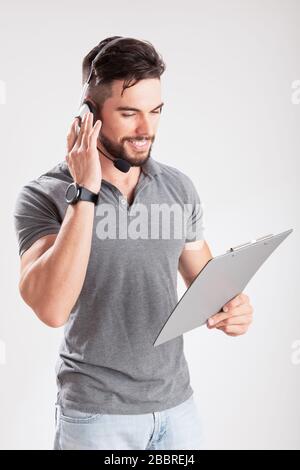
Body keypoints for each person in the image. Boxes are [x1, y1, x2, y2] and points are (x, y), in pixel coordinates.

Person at [13, 36, 253, 450]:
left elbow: (209, 284)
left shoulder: (177, 188)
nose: (147, 130)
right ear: (89, 114)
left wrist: (234, 308)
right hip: (95, 418)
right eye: (129, 113)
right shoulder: (45, 194)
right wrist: (85, 191)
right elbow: (51, 309)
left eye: (155, 112)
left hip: (178, 411)